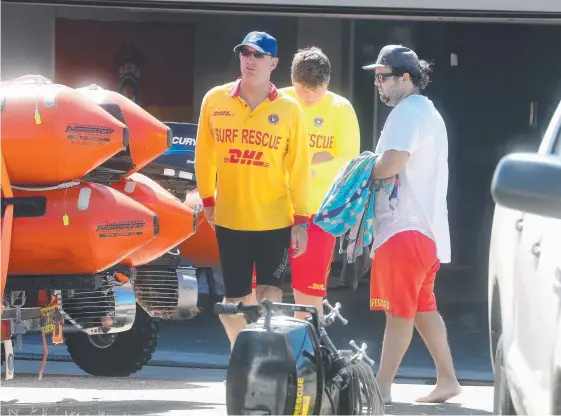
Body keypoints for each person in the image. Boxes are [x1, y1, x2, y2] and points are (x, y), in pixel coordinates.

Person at [194, 31, 312, 350]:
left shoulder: (290, 109)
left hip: (274, 220)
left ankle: (266, 357)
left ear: (274, 62)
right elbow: (204, 155)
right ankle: (243, 358)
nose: (250, 60)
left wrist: (301, 221)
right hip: (230, 219)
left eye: (258, 55)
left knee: (270, 295)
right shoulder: (215, 100)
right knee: (234, 302)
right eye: (246, 53)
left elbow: (300, 168)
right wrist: (207, 198)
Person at [362, 45, 462, 403]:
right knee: (422, 308)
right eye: (376, 77)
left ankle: (380, 388)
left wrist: (357, 171)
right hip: (424, 232)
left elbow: (390, 164)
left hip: (405, 229)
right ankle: (448, 379)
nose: (378, 83)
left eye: (383, 76)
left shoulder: (408, 112)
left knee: (399, 311)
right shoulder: (426, 111)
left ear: (405, 78)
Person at [251, 46, 360, 320]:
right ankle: (255, 349)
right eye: (303, 90)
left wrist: (299, 160)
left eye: (317, 91)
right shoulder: (275, 101)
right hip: (272, 210)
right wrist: (317, 158)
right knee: (259, 287)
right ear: (292, 81)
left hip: (318, 214)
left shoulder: (340, 108)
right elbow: (260, 153)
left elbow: (350, 162)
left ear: (327, 83)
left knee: (310, 294)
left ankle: (308, 355)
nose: (309, 97)